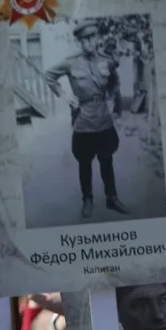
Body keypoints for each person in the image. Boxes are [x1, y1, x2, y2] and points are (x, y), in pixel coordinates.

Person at [44, 20, 129, 220]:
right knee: (85, 162)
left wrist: (110, 98)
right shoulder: (70, 62)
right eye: (86, 39)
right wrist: (64, 95)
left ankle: (112, 198)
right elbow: (49, 75)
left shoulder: (106, 60)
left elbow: (114, 81)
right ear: (80, 42)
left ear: (97, 39)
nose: (91, 42)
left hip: (104, 119)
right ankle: (87, 200)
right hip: (83, 119)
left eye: (93, 38)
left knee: (107, 160)